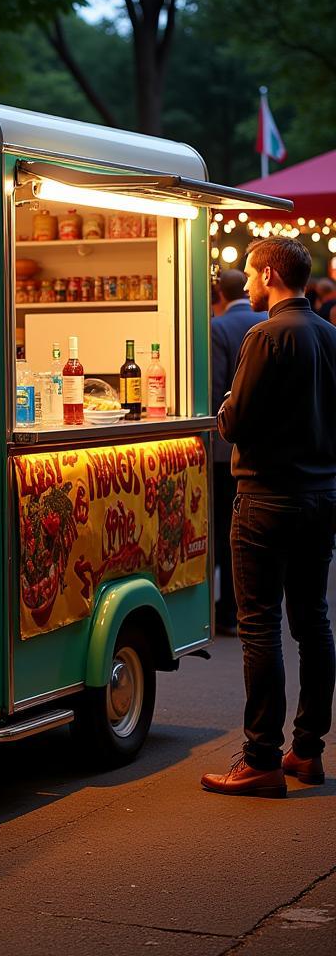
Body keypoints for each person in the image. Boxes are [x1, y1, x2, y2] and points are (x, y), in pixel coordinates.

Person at [201, 237, 336, 798]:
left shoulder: (266, 335)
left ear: (273, 274)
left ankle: (259, 757)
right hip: (321, 494)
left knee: (259, 626)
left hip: (266, 497)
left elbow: (237, 421)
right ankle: (307, 749)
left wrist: (227, 405)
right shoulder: (329, 334)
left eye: (253, 274)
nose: (248, 283)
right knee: (312, 622)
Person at [210, 269, 266, 636]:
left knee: (227, 533)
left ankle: (227, 611)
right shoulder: (269, 320)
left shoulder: (219, 328)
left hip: (225, 450)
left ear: (218, 293)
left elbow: (215, 388)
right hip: (268, 452)